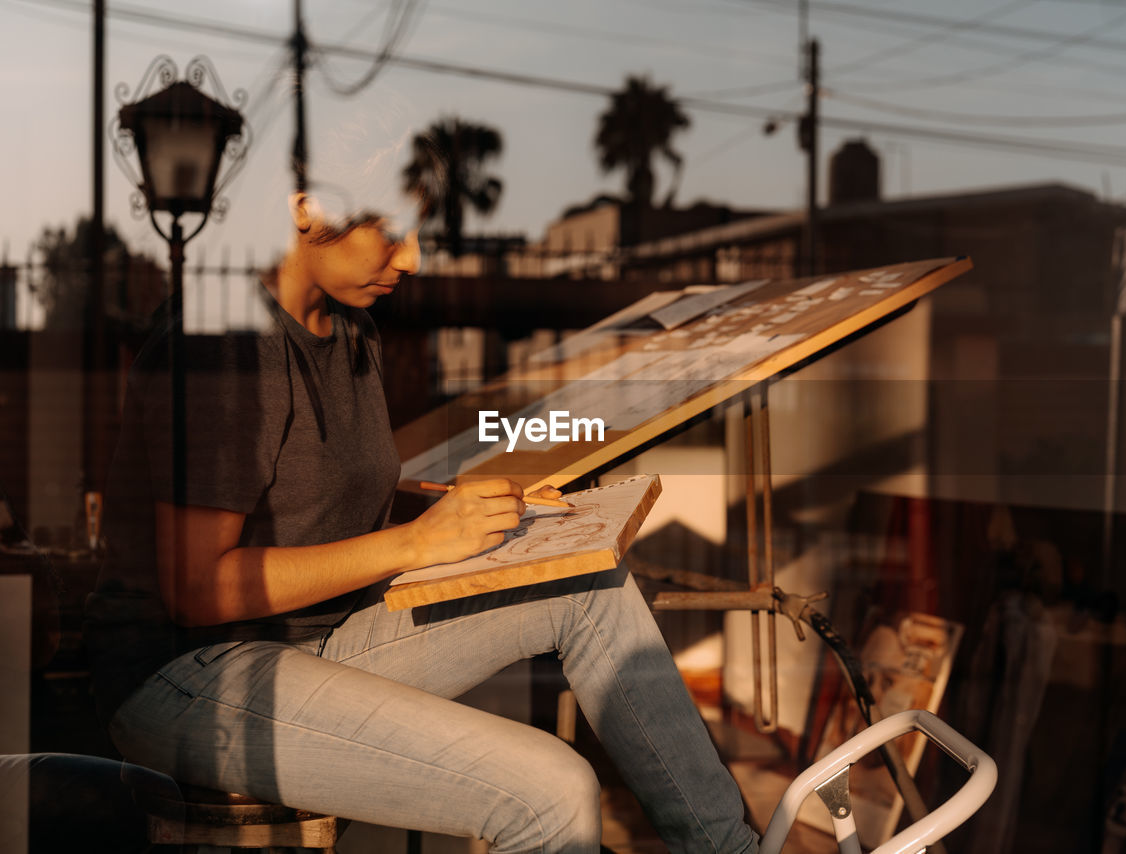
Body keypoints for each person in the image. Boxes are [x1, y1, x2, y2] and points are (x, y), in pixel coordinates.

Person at [85, 192, 758, 853]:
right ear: (303, 206)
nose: (413, 257)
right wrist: (416, 541)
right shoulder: (222, 344)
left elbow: (324, 508)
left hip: (325, 637)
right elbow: (196, 590)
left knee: (590, 584)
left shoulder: (352, 331)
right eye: (393, 230)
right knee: (552, 793)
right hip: (191, 675)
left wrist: (486, 512)